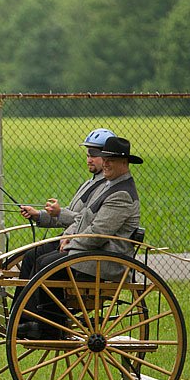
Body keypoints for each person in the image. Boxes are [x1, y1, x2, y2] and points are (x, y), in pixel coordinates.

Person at [17, 136, 143, 339]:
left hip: (105, 260)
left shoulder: (122, 194)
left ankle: (48, 326)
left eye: (110, 160)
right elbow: (83, 220)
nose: (106, 163)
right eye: (105, 158)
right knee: (36, 257)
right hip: (92, 253)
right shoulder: (109, 186)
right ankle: (26, 319)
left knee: (47, 264)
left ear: (124, 163)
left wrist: (71, 244)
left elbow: (98, 234)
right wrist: (68, 236)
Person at [18, 128, 116, 280]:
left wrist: (60, 214)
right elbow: (70, 214)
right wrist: (38, 215)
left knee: (42, 262)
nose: (89, 159)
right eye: (88, 155)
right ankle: (21, 304)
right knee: (31, 256)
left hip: (82, 246)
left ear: (109, 157)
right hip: (69, 238)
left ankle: (34, 304)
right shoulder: (89, 183)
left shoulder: (107, 188)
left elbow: (86, 221)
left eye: (94, 155)